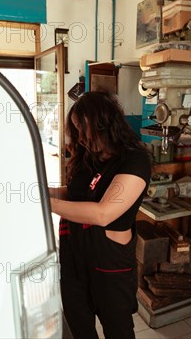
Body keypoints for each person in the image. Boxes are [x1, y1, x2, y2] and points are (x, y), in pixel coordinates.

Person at [49, 91, 152, 339]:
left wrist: (45, 202)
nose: (81, 137)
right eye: (76, 129)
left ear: (104, 123)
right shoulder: (88, 158)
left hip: (108, 262)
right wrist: (42, 190)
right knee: (79, 325)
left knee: (117, 329)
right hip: (74, 255)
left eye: (84, 128)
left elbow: (103, 213)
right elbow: (75, 194)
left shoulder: (134, 160)